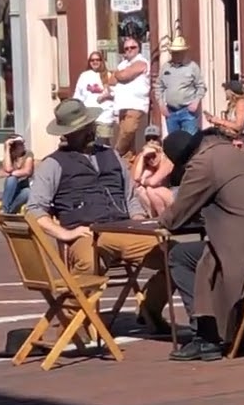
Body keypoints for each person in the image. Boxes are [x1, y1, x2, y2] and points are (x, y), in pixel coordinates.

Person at [25, 99, 169, 330]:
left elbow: (130, 197)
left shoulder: (111, 155)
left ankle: (150, 307)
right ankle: (75, 323)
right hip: (85, 232)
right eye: (83, 129)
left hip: (122, 228)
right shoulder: (53, 164)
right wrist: (65, 233)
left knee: (175, 257)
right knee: (86, 262)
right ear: (69, 134)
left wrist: (139, 222)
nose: (90, 131)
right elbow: (35, 210)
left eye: (89, 125)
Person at [157, 129, 244, 362]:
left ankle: (206, 333)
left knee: (181, 256)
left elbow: (175, 217)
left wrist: (161, 219)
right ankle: (234, 327)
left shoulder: (204, 163)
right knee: (206, 252)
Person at [155, 36, 206, 135]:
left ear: (184, 52)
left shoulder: (192, 67)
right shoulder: (165, 67)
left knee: (190, 142)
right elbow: (158, 87)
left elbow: (201, 86)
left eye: (179, 52)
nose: (176, 54)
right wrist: (161, 104)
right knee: (174, 143)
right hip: (170, 112)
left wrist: (196, 102)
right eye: (174, 52)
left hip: (187, 111)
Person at [111, 37, 151, 160]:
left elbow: (123, 75)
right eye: (126, 48)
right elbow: (111, 81)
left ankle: (114, 155)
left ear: (138, 48)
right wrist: (118, 74)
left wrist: (117, 73)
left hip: (136, 104)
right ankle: (127, 168)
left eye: (132, 47)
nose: (129, 50)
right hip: (122, 105)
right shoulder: (123, 64)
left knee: (128, 131)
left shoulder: (142, 61)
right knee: (129, 143)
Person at [73, 50, 116, 143]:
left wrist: (106, 95)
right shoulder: (84, 76)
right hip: (88, 116)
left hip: (104, 115)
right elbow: (78, 95)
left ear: (102, 61)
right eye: (92, 60)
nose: (95, 62)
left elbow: (116, 93)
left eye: (98, 60)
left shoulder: (108, 75)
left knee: (103, 145)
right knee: (89, 144)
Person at [133, 126, 174, 217]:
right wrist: (143, 157)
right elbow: (135, 179)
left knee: (150, 190)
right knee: (140, 190)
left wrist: (143, 180)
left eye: (154, 138)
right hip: (155, 195)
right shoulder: (143, 157)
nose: (151, 141)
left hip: (172, 193)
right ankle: (152, 217)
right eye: (148, 139)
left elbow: (153, 182)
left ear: (160, 140)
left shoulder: (166, 157)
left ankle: (163, 218)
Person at [0, 136, 34, 213]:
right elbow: (8, 168)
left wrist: (10, 174)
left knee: (27, 192)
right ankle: (4, 208)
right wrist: (7, 149)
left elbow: (27, 171)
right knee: (11, 179)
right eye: (20, 144)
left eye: (23, 143)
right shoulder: (9, 156)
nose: (23, 145)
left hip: (24, 186)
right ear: (14, 146)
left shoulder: (28, 154)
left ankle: (8, 211)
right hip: (12, 187)